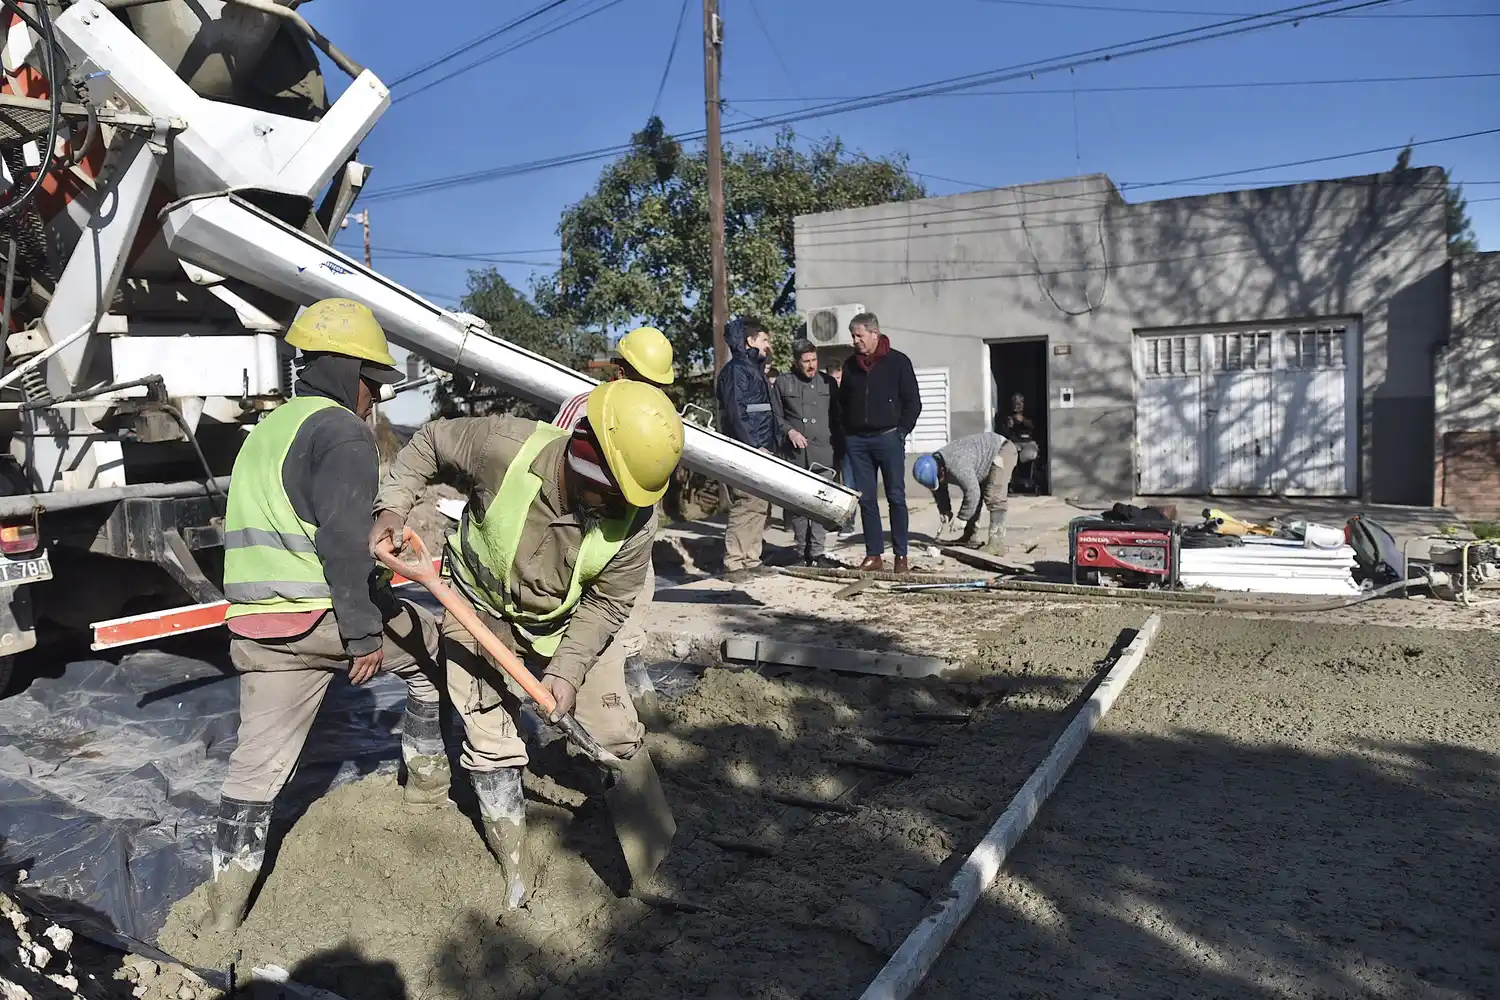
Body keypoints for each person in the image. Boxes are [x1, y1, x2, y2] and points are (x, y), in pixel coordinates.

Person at [371, 380, 683, 910]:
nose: (623, 509)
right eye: (615, 494)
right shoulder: (502, 446)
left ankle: (655, 857)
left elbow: (607, 604)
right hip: (478, 609)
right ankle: (515, 874)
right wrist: (391, 509)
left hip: (566, 622)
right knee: (490, 739)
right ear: (585, 457)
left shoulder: (637, 521)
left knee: (613, 735)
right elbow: (426, 443)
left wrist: (564, 672)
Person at [203, 298, 441, 932]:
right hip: (320, 617)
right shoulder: (341, 432)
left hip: (257, 624)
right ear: (349, 372)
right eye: (375, 383)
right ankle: (427, 785)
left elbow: (296, 520)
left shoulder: (269, 429)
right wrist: (364, 633)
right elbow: (340, 543)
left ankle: (222, 915)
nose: (377, 399)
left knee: (256, 767)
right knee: (434, 648)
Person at [554, 327, 674, 720]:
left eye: (657, 386)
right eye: (645, 382)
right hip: (586, 532)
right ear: (620, 372)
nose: (651, 393)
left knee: (636, 607)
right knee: (589, 623)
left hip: (633, 530)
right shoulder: (582, 407)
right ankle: (591, 704)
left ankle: (638, 691)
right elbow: (555, 470)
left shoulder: (659, 417)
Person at [838, 312, 921, 573]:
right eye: (853, 336)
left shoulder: (898, 362)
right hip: (858, 442)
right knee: (866, 500)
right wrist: (847, 434)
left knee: (896, 497)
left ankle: (901, 557)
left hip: (889, 439)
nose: (855, 341)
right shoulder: (851, 366)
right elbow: (842, 403)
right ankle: (874, 555)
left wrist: (902, 431)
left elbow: (913, 402)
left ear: (875, 333)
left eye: (859, 336)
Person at [715, 316, 779, 583]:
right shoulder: (736, 371)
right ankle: (734, 563)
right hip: (747, 451)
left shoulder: (752, 369)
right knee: (745, 505)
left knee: (759, 506)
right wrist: (754, 448)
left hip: (762, 448)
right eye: (764, 340)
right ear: (750, 341)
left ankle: (752, 559)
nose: (767, 345)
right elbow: (737, 413)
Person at [772, 339, 842, 567]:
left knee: (821, 503)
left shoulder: (828, 382)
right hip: (795, 455)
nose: (811, 365)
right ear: (795, 361)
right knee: (798, 506)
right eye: (806, 361)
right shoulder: (783, 383)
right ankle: (802, 553)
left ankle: (819, 553)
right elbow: (775, 417)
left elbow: (838, 418)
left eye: (814, 360)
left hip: (824, 453)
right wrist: (789, 432)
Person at [913, 430, 1019, 557]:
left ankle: (997, 543)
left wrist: (962, 518)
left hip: (1003, 450)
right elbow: (939, 488)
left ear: (940, 470)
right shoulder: (936, 464)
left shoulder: (957, 464)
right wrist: (945, 510)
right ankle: (970, 537)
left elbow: (973, 492)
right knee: (974, 496)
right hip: (983, 459)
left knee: (994, 496)